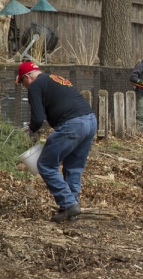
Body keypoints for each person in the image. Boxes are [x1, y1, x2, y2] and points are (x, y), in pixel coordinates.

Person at [16, 61, 97, 223]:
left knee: (45, 164)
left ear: (27, 78)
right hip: (90, 121)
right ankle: (71, 209)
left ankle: (69, 204)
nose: (23, 86)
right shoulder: (53, 78)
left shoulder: (35, 86)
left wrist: (30, 132)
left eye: (22, 82)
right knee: (73, 167)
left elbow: (38, 118)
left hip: (72, 124)